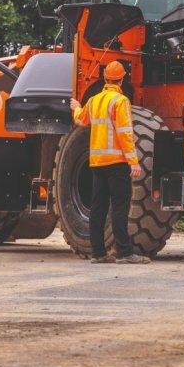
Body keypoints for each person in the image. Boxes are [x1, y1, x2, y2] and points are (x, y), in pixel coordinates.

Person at [70, 61, 151, 264]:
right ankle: (124, 253)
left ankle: (98, 253)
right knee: (119, 207)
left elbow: (80, 120)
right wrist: (133, 161)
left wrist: (76, 107)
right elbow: (125, 133)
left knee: (98, 207)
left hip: (97, 162)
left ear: (105, 79)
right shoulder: (120, 101)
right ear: (122, 79)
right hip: (116, 162)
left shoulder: (94, 101)